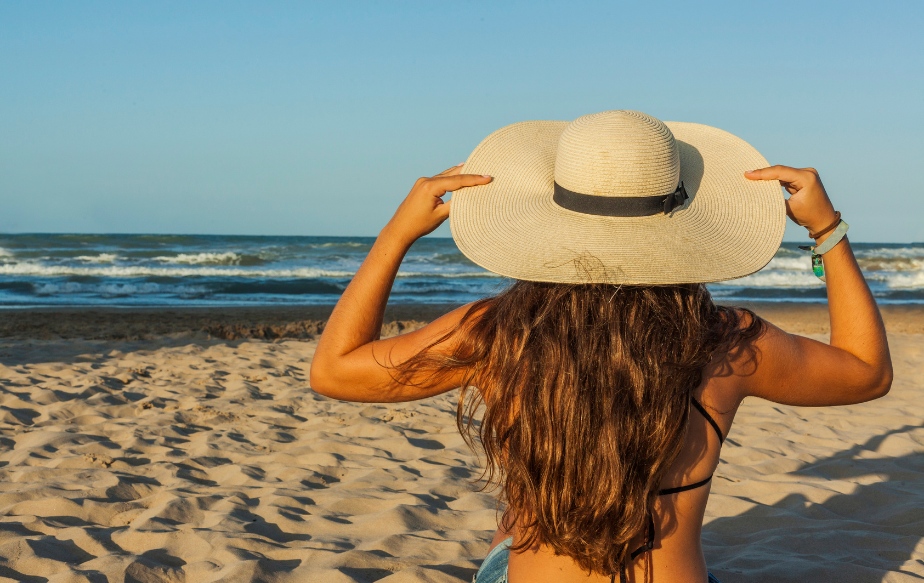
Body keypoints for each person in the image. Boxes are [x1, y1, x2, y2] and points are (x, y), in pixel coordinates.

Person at [309, 111, 892, 583]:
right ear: (685, 219)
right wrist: (827, 231)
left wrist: (396, 233)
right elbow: (867, 372)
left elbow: (334, 371)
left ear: (553, 216)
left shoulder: (498, 333)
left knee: (516, 519)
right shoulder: (723, 342)